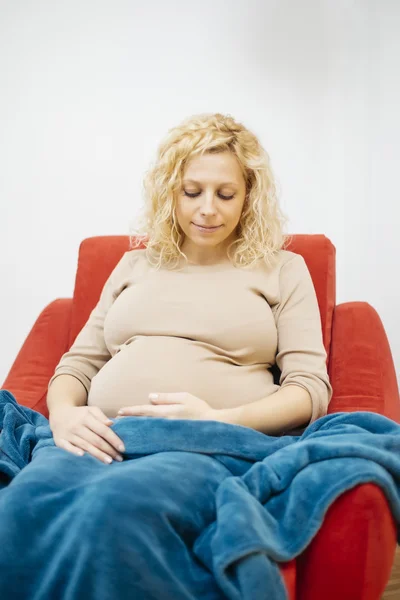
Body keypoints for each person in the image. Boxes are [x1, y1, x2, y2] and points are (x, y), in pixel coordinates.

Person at [46, 112, 332, 466]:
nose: (207, 209)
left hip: (211, 447)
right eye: (192, 192)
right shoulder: (134, 265)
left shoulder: (283, 270)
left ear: (248, 198)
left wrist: (218, 421)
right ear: (171, 193)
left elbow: (308, 390)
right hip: (102, 446)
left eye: (226, 195)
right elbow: (77, 366)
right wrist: (63, 416)